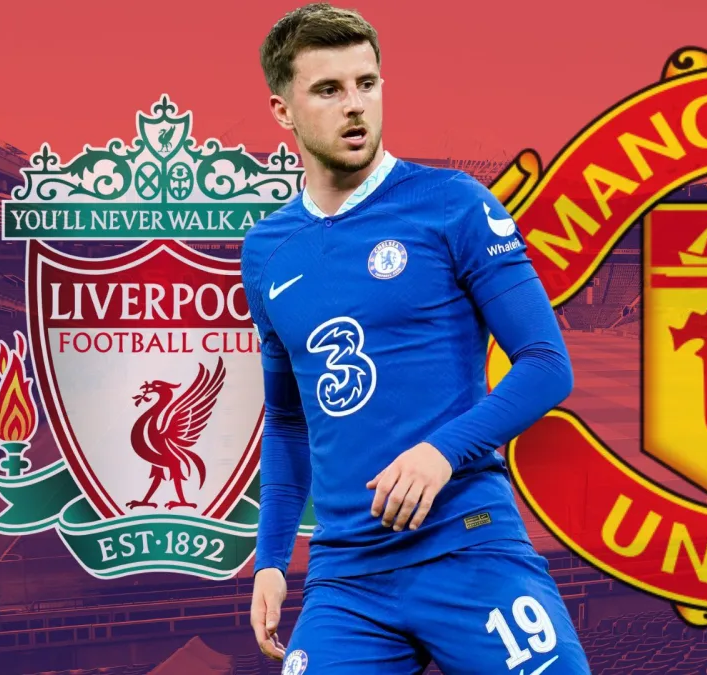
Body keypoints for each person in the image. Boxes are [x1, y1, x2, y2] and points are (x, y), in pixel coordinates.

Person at [241, 4, 591, 674]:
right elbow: (288, 422)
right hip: (347, 580)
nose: (355, 107)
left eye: (367, 84)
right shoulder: (266, 251)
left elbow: (547, 363)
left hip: (467, 544)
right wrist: (271, 561)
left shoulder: (454, 203)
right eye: (328, 89)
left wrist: (440, 452)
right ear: (282, 111)